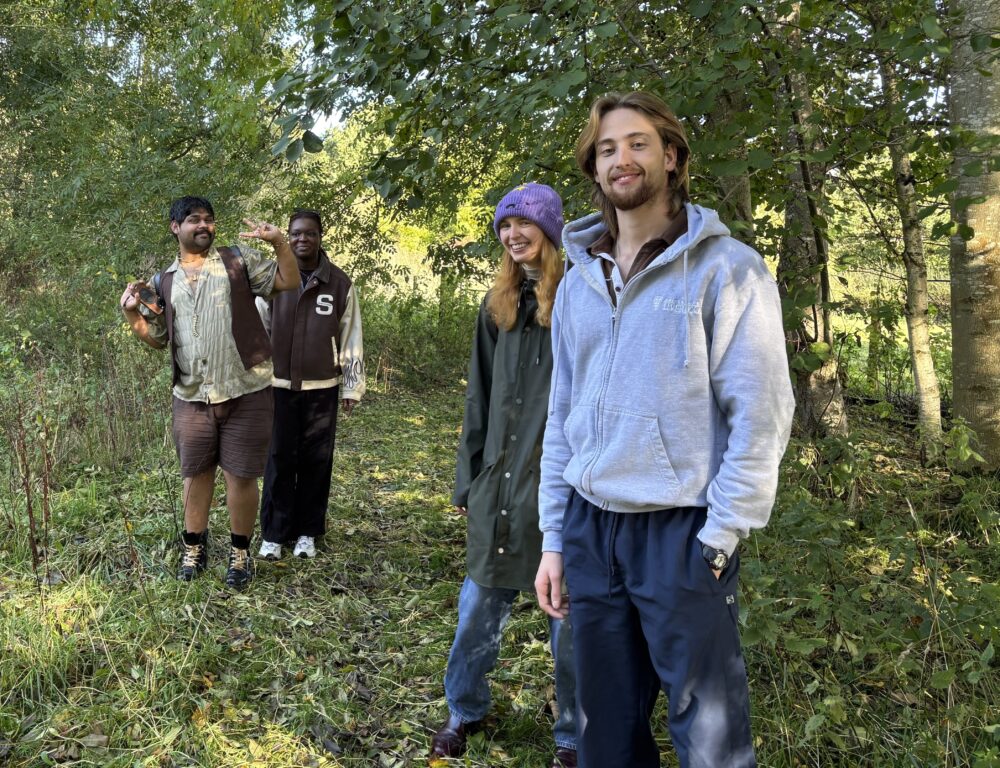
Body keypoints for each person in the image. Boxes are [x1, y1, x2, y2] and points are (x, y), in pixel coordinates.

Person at [533, 92, 795, 768]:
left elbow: (761, 413)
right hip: (592, 530)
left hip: (682, 533)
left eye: (639, 143)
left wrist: (721, 535)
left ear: (672, 157)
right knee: (604, 735)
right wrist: (555, 539)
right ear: (593, 169)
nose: (623, 158)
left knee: (709, 742)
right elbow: (562, 414)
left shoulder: (726, 269)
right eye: (608, 148)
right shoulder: (579, 281)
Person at [430, 184, 578, 768]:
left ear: (549, 228)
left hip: (559, 487)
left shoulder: (578, 298)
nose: (513, 234)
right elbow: (479, 397)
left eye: (524, 223)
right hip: (498, 485)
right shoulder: (497, 306)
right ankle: (464, 709)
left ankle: (571, 733)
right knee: (476, 611)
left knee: (567, 623)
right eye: (505, 225)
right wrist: (469, 480)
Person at [119, 196, 299, 589]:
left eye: (209, 220)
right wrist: (133, 313)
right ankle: (194, 548)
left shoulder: (238, 260)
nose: (203, 226)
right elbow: (158, 340)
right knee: (195, 475)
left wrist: (280, 243)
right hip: (192, 397)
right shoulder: (162, 281)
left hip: (245, 390)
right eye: (194, 220)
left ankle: (240, 555)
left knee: (241, 476)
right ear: (175, 227)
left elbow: (289, 281)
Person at [257, 209, 365, 560]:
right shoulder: (275, 277)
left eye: (309, 234)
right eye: (296, 234)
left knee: (316, 461)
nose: (302, 239)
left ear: (320, 236)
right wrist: (256, 378)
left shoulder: (339, 283)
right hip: (278, 385)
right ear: (288, 237)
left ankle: (307, 532)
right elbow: (260, 330)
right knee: (279, 458)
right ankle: (274, 533)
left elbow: (351, 336)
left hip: (322, 387)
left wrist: (351, 386)